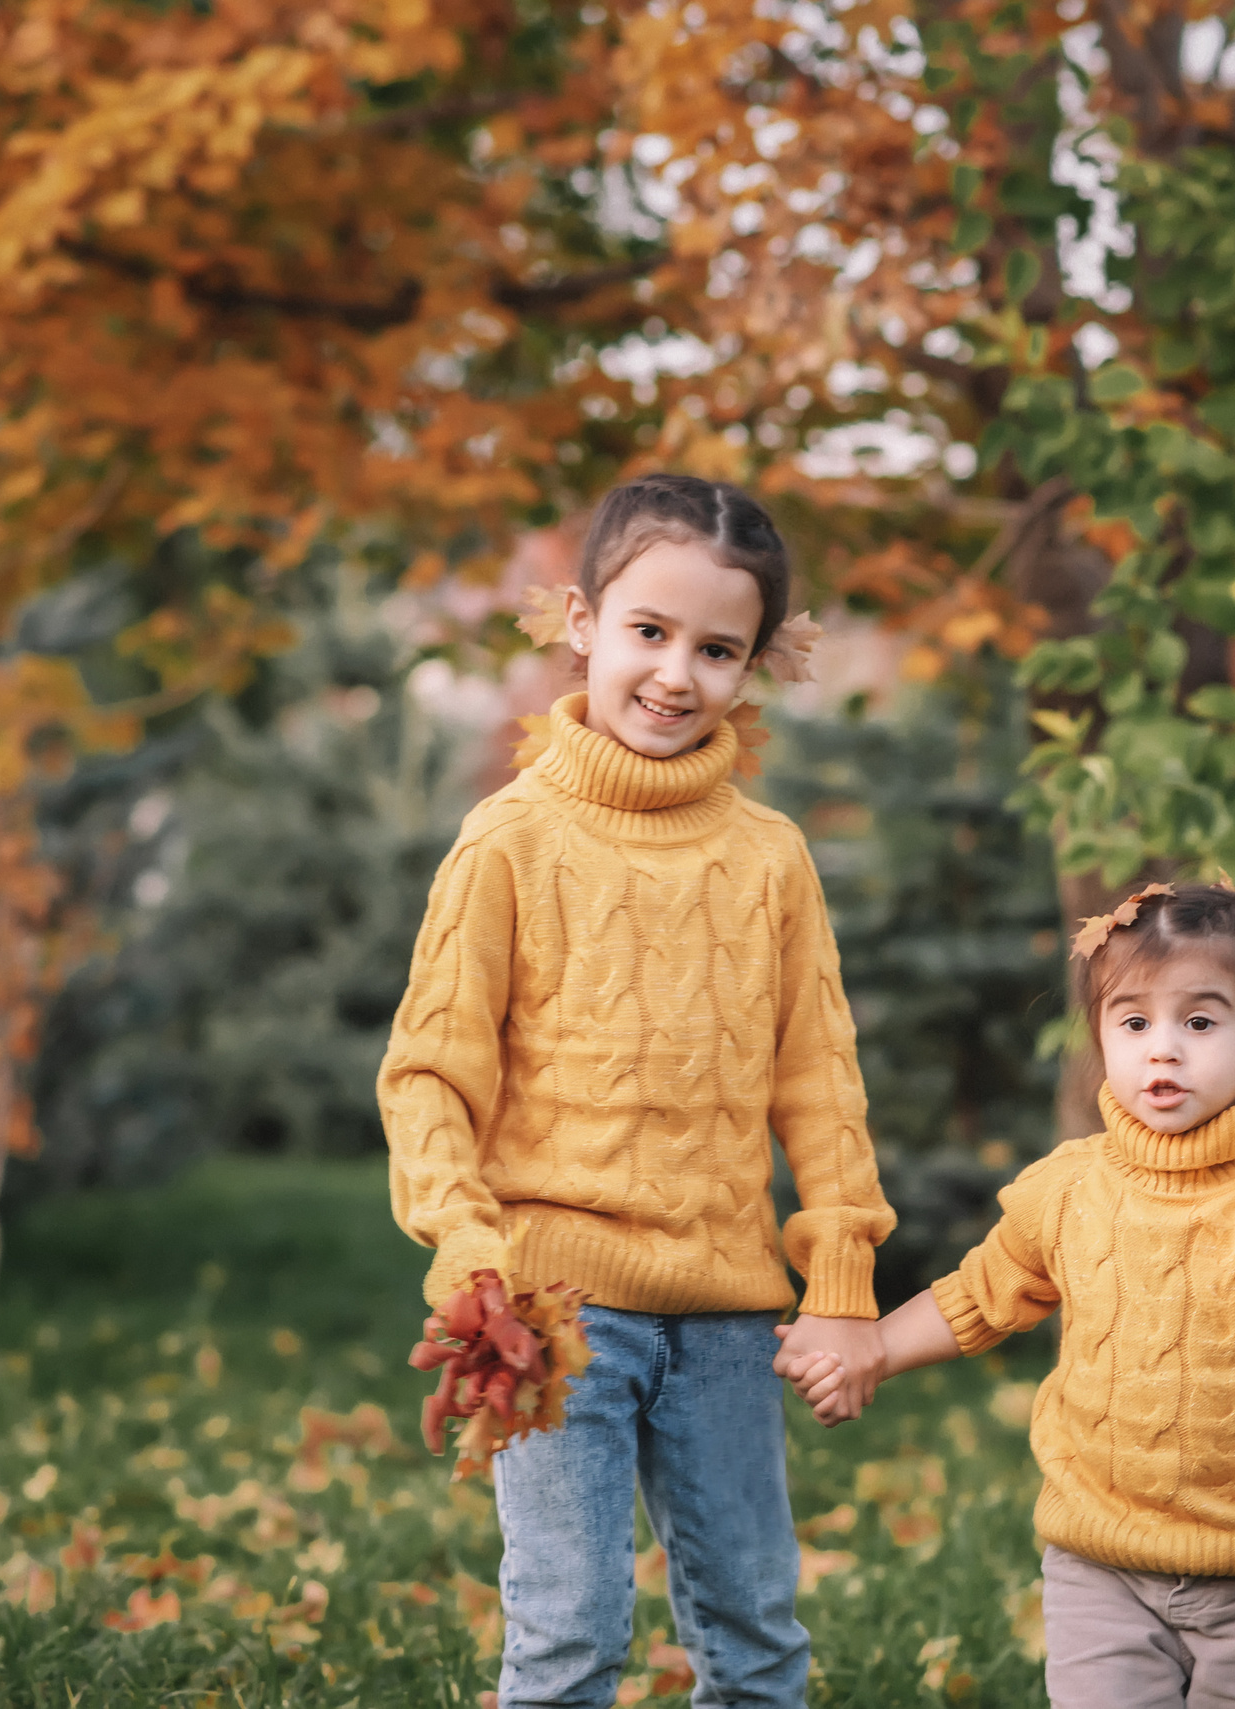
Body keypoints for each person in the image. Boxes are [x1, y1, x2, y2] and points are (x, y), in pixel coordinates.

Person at [378, 473, 894, 1708]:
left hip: (723, 1316)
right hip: (556, 1314)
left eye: (717, 648)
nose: (675, 673)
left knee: (756, 1635)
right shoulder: (507, 840)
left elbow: (820, 1083)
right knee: (568, 1635)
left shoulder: (769, 855)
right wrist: (465, 1246)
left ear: (755, 664)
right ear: (579, 622)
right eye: (648, 632)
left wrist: (840, 1285)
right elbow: (429, 1074)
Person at [780, 879, 1235, 1709]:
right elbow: (979, 1296)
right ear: (1102, 1038)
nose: (1163, 1049)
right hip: (1099, 1566)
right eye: (1134, 1022)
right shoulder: (1068, 1188)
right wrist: (866, 1351)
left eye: (1199, 1021)